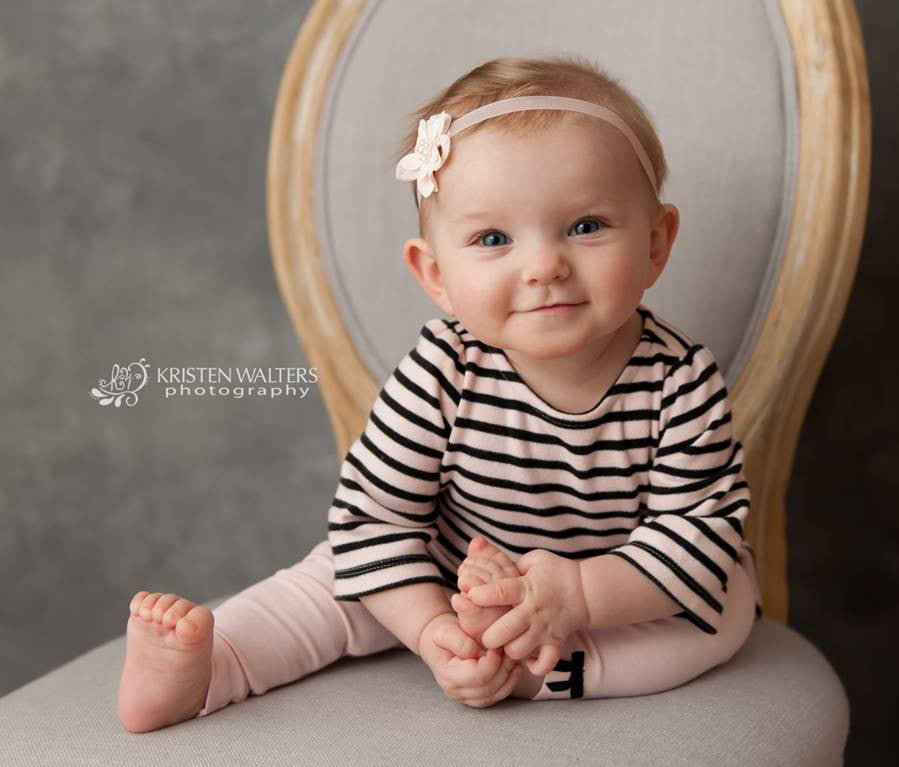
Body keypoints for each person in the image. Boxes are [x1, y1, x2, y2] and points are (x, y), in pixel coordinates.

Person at [116, 54, 763, 733]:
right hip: (449, 569)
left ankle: (542, 672)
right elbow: (374, 520)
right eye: (492, 238)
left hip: (616, 581)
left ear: (657, 242)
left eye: (585, 226)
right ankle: (215, 663)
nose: (544, 265)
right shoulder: (442, 371)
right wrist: (431, 630)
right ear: (436, 275)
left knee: (724, 603)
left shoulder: (680, 379)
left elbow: (695, 537)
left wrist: (579, 592)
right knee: (330, 581)